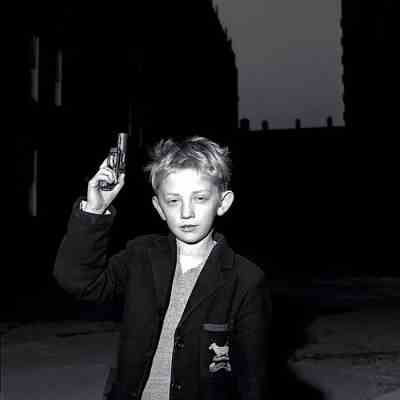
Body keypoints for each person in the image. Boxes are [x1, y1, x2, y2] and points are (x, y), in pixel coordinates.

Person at [53, 136, 271, 400]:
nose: (187, 213)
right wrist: (94, 210)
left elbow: (252, 379)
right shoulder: (140, 256)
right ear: (159, 207)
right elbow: (78, 281)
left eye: (200, 198)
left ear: (222, 202)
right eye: (174, 201)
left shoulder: (246, 280)